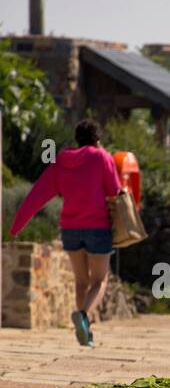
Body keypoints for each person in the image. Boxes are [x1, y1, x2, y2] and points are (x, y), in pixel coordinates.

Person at [9, 119, 122, 347]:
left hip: (70, 229)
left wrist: (15, 227)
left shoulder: (61, 160)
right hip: (97, 228)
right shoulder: (101, 157)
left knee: (81, 282)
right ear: (97, 139)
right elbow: (114, 190)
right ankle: (82, 316)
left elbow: (37, 194)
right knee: (99, 280)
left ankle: (85, 334)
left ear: (77, 139)